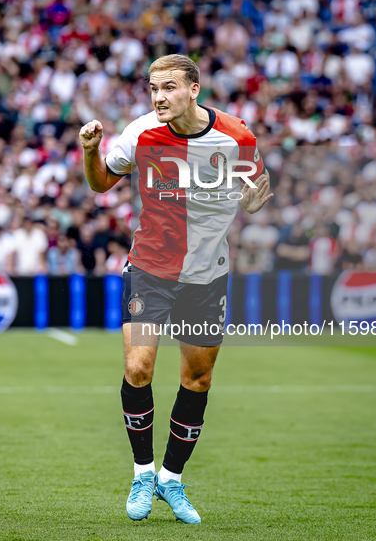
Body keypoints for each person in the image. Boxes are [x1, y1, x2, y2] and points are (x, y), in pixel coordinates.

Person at [79, 54, 273, 524]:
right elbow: (102, 183)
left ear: (194, 89)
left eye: (168, 87)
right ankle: (142, 472)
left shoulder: (238, 137)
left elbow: (257, 190)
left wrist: (253, 196)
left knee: (198, 379)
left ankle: (171, 478)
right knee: (139, 366)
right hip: (150, 269)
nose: (159, 97)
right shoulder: (141, 133)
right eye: (152, 88)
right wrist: (90, 150)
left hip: (207, 276)